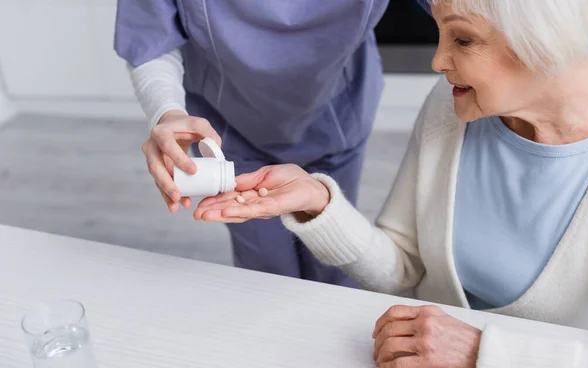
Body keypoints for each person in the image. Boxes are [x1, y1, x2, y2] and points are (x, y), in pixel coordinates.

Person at [194, 0, 588, 368]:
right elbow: (403, 268)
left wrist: (480, 357)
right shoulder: (453, 105)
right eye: (440, 34)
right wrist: (319, 204)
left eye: (462, 39)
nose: (437, 61)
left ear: (540, 41)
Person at [114, 0, 418, 287]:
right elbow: (150, 36)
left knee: (334, 264)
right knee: (267, 276)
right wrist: (167, 112)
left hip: (334, 117)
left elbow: (457, 11)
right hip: (231, 129)